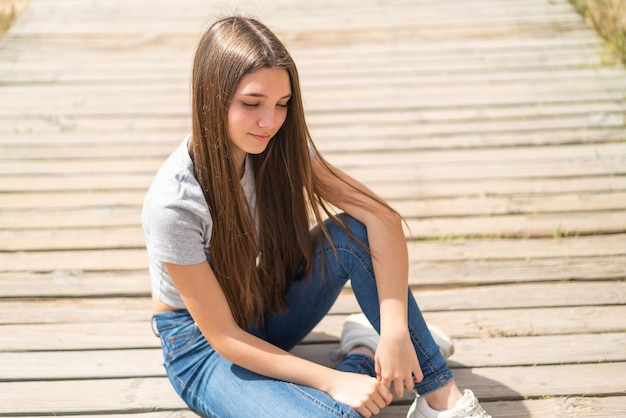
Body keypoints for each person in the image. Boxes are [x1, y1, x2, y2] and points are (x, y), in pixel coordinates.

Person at [142, 15, 491, 418]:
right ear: (211, 97)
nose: (270, 121)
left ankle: (441, 397)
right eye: (252, 104)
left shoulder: (276, 146)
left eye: (282, 104)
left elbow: (380, 218)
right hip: (202, 346)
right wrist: (334, 380)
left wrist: (395, 330)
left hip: (261, 299)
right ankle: (362, 351)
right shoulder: (175, 204)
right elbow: (225, 338)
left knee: (354, 233)